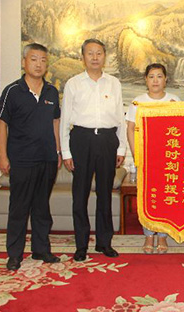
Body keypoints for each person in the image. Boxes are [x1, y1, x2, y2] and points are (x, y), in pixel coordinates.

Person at [0, 43, 62, 271]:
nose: (39, 64)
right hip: (21, 159)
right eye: (34, 59)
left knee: (42, 207)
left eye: (43, 60)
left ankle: (41, 249)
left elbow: (55, 122)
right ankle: (14, 254)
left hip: (47, 158)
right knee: (19, 208)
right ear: (24, 62)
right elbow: (2, 125)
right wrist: (3, 157)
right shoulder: (12, 91)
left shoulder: (51, 91)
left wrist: (58, 151)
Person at [60, 39, 126, 260]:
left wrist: (121, 148)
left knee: (105, 194)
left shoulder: (114, 83)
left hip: (107, 140)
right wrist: (66, 152)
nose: (95, 57)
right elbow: (64, 120)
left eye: (99, 53)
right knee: (80, 195)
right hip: (81, 139)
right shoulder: (73, 83)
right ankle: (81, 245)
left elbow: (120, 118)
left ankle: (104, 243)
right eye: (90, 53)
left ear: (104, 56)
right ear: (83, 57)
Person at [126, 63, 181, 254]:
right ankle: (149, 235)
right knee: (147, 198)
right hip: (145, 157)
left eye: (159, 76)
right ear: (146, 80)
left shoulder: (174, 100)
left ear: (166, 79)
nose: (155, 80)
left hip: (169, 157)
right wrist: (136, 153)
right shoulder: (138, 102)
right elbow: (130, 129)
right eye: (151, 76)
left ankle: (163, 236)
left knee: (167, 196)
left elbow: (182, 128)